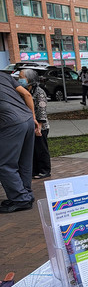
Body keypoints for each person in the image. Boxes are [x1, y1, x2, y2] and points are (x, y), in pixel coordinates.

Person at [0, 71, 40, 213]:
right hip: (27, 119)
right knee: (24, 161)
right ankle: (26, 195)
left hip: (11, 123)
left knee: (4, 164)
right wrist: (34, 117)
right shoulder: (4, 75)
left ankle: (20, 199)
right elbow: (27, 94)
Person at [20, 69, 51, 179]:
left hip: (40, 126)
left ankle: (45, 170)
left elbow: (42, 110)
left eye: (22, 77)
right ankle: (35, 170)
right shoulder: (24, 91)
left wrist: (39, 127)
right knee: (32, 150)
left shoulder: (39, 92)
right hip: (29, 125)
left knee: (41, 149)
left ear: (29, 78)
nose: (19, 80)